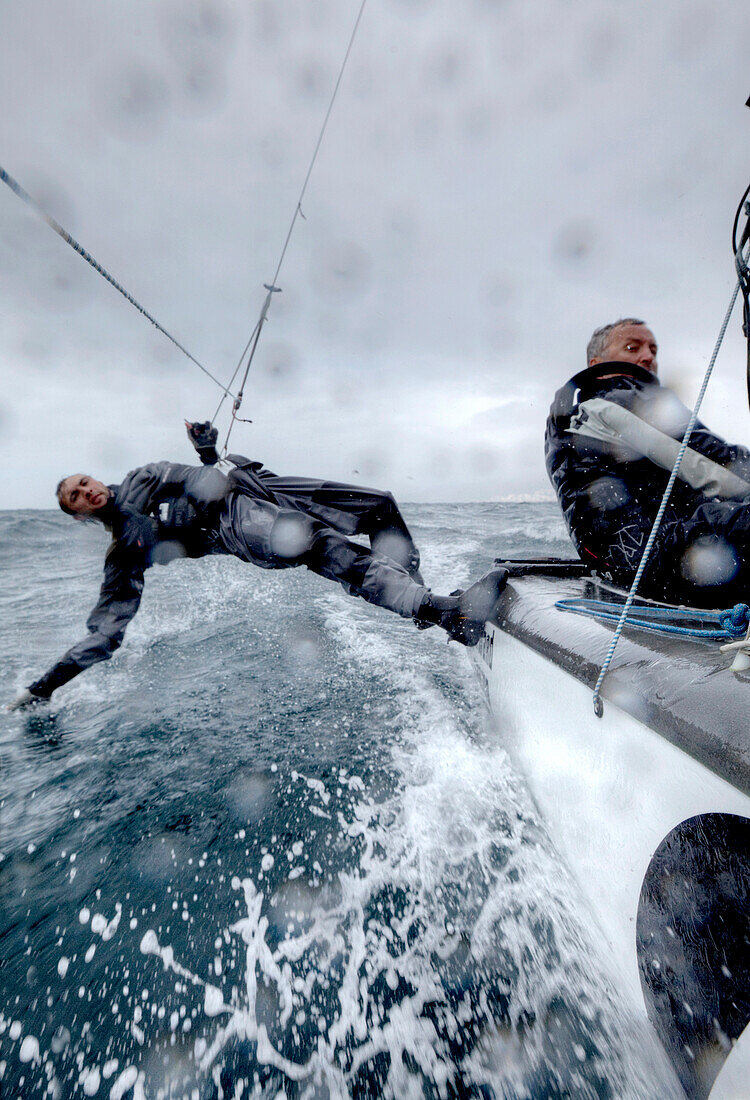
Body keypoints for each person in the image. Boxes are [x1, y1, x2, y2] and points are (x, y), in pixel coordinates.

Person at [9, 423, 507, 708]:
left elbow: (201, 477)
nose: (87, 490)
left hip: (255, 487)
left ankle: (421, 600)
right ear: (78, 515)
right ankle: (439, 610)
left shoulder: (144, 477)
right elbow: (106, 631)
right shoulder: (125, 552)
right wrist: (42, 688)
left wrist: (208, 447)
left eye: (84, 481)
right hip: (237, 526)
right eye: (76, 496)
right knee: (324, 548)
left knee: (377, 504)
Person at [545, 318, 750, 606]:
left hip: (625, 561)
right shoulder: (616, 400)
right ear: (596, 363)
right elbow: (714, 462)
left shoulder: (581, 410)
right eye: (633, 347)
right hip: (652, 556)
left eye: (654, 350)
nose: (648, 356)